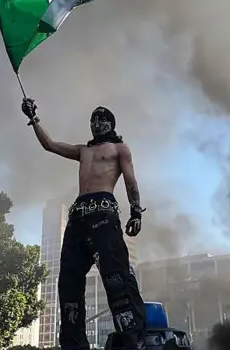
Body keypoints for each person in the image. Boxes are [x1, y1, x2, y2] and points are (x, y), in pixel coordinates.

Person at [21, 98, 147, 350]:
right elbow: (50, 145)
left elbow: (130, 180)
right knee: (68, 282)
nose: (96, 123)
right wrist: (33, 118)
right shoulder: (83, 151)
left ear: (111, 124)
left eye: (101, 119)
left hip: (104, 213)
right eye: (93, 120)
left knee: (116, 277)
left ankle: (133, 341)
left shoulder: (120, 148)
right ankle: (73, 344)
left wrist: (136, 211)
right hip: (78, 217)